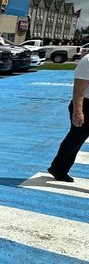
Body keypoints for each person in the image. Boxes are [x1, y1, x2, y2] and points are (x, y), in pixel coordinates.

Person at [48, 52, 89, 182]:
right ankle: (58, 168)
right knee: (75, 139)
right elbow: (79, 88)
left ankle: (58, 168)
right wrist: (78, 111)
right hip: (86, 105)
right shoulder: (87, 61)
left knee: (75, 139)